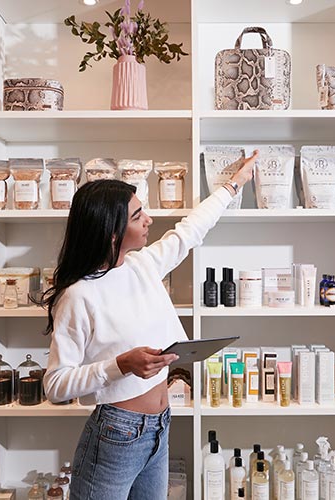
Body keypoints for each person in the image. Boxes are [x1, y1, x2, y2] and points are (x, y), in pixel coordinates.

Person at [42, 150, 259, 499]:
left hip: (160, 426)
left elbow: (190, 231)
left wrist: (234, 184)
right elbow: (54, 385)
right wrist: (120, 365)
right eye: (138, 215)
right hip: (116, 434)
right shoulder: (79, 296)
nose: (149, 220)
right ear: (112, 232)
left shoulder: (140, 265)